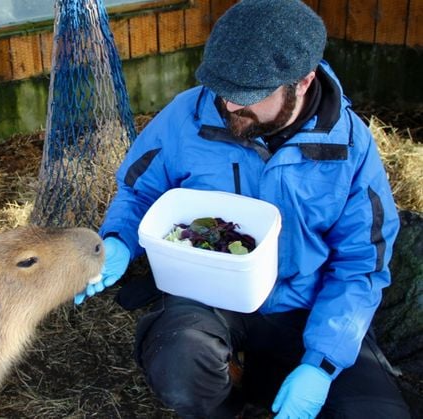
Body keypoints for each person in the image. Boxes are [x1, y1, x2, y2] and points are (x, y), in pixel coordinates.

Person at [74, 0, 412, 417]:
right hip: (209, 296)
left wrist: (323, 363)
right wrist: (119, 240)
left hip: (307, 306)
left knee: (375, 413)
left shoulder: (350, 148)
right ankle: (230, 405)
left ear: (303, 82)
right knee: (180, 362)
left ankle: (291, 375)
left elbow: (360, 264)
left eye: (250, 95)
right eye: (224, 89)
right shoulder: (186, 116)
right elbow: (139, 192)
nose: (231, 106)